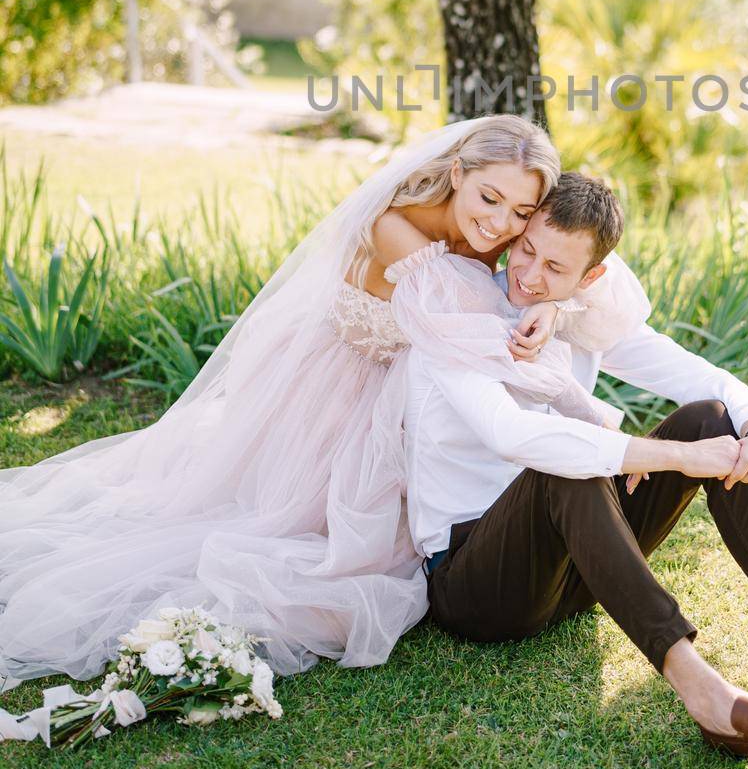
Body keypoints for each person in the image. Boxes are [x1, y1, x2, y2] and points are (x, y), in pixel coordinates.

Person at [388, 171, 748, 767]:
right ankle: (704, 692)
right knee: (564, 462)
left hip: (577, 570)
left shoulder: (578, 319)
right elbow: (513, 434)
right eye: (526, 250)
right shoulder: (450, 315)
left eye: (557, 268)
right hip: (477, 581)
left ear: (591, 279)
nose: (531, 276)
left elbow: (703, 380)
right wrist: (672, 456)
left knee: (713, 418)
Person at [0, 115, 571, 692]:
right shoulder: (395, 225)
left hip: (400, 396)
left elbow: (561, 266)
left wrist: (553, 305)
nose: (501, 224)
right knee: (302, 539)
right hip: (334, 387)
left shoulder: (490, 239)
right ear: (457, 173)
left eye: (522, 213)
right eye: (489, 198)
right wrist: (543, 310)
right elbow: (471, 321)